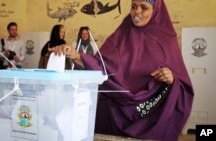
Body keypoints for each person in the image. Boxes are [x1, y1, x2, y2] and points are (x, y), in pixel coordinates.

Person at [50, 0, 194, 140]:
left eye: (144, 7)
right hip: (117, 113)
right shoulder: (122, 34)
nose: (137, 12)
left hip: (152, 119)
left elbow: (183, 86)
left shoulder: (166, 40)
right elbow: (102, 64)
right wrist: (76, 55)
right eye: (133, 6)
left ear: (155, 10)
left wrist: (172, 78)